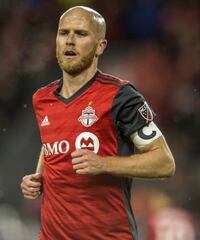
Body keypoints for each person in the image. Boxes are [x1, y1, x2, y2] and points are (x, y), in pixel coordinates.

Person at [20, 6, 175, 240]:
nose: (70, 41)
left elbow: (164, 163)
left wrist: (103, 164)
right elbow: (51, 140)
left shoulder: (121, 96)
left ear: (100, 46)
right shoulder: (42, 98)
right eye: (64, 33)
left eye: (81, 34)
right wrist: (39, 176)